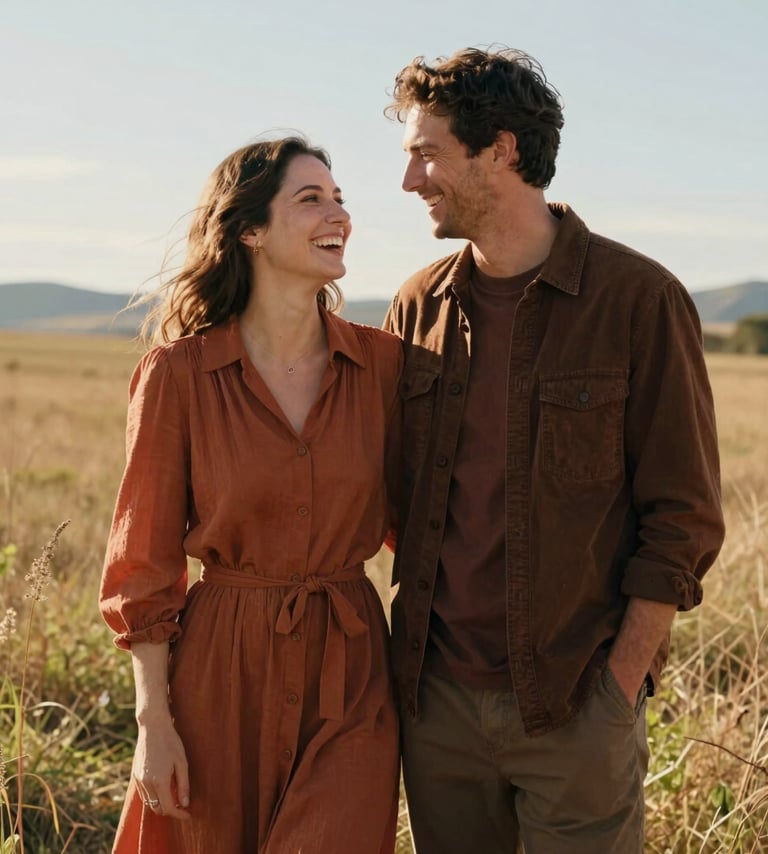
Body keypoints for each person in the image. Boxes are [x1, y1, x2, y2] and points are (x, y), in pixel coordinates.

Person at [383, 47, 725, 853]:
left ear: (500, 150)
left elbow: (684, 517)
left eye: (426, 154)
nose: (410, 182)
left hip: (576, 706)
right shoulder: (416, 304)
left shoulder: (640, 301)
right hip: (436, 707)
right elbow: (395, 494)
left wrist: (619, 682)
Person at [100, 135, 402, 854]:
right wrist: (156, 725)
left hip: (351, 671)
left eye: (340, 198)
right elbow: (142, 562)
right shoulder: (179, 375)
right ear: (250, 230)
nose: (340, 214)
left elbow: (429, 526)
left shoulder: (385, 368)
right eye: (311, 199)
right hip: (219, 676)